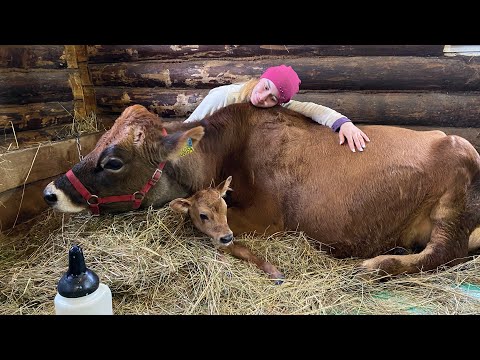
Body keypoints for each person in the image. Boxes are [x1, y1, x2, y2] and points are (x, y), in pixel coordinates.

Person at [184, 64, 370, 153]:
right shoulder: (224, 97)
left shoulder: (279, 106)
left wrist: (344, 124)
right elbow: (190, 129)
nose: (262, 98)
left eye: (272, 98)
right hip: (206, 152)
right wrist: (184, 154)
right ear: (261, 79)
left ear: (279, 102)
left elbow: (313, 109)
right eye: (265, 87)